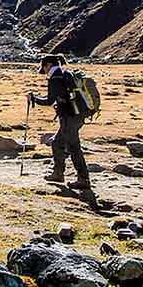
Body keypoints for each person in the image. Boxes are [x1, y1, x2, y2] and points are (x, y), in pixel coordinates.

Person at [30, 54, 91, 190]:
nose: (44, 70)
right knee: (57, 143)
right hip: (75, 116)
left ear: (48, 65)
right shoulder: (64, 74)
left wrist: (34, 99)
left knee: (73, 148)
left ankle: (83, 179)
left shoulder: (55, 78)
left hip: (69, 117)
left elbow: (49, 100)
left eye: (44, 67)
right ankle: (58, 173)